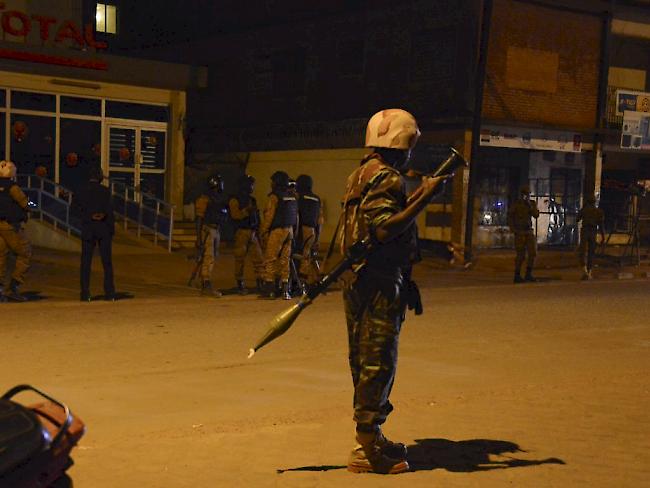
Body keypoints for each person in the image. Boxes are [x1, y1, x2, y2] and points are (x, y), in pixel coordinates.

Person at [340, 109, 448, 474]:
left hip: (362, 280)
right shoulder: (386, 177)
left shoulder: (360, 173)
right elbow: (385, 230)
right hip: (379, 284)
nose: (410, 156)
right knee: (377, 361)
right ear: (401, 145)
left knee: (364, 358)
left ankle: (371, 435)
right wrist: (426, 196)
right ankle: (367, 447)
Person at [74, 165, 116, 302]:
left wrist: (88, 216)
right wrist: (110, 227)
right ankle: (109, 292)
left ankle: (85, 293)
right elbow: (110, 211)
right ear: (100, 177)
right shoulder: (105, 191)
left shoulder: (81, 191)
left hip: (88, 227)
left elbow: (74, 210)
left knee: (85, 262)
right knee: (107, 262)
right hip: (103, 227)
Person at [258, 170, 298, 300]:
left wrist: (263, 231)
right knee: (285, 260)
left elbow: (269, 216)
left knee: (270, 258)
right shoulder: (292, 196)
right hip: (289, 231)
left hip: (277, 231)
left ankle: (270, 289)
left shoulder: (274, 197)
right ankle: (285, 290)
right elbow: (296, 217)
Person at [0, 160, 32, 302]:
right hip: (10, 226)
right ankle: (13, 286)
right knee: (25, 252)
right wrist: (33, 203)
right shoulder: (12, 187)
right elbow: (25, 202)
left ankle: (1, 288)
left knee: (1, 256)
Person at [228, 174, 264, 294]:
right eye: (251, 184)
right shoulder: (235, 199)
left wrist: (259, 230)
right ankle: (240, 283)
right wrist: (246, 211)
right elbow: (235, 215)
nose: (252, 187)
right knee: (240, 259)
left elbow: (257, 216)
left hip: (252, 232)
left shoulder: (252, 200)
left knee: (259, 258)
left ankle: (261, 281)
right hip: (241, 232)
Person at [194, 174, 228, 298]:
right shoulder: (204, 199)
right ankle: (206, 284)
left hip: (216, 230)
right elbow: (199, 218)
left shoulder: (217, 199)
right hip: (208, 230)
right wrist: (199, 238)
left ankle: (206, 282)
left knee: (212, 258)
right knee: (208, 257)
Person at [295, 174, 323, 286]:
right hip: (312, 231)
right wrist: (318, 237)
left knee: (298, 256)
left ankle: (298, 283)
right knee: (307, 256)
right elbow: (320, 219)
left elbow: (296, 214)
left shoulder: (298, 197)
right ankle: (310, 280)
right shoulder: (317, 199)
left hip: (300, 229)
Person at [507, 185, 539, 283]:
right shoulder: (516, 204)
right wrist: (513, 229)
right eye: (524, 194)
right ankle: (517, 275)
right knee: (521, 254)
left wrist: (530, 205)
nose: (526, 196)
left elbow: (536, 215)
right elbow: (510, 216)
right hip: (519, 231)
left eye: (527, 194)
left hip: (528, 231)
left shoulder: (531, 204)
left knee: (532, 253)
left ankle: (528, 274)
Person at [577, 194, 605, 280]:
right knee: (591, 252)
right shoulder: (599, 211)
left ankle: (584, 270)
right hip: (593, 231)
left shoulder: (584, 210)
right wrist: (603, 236)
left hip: (585, 230)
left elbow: (577, 219)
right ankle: (589, 272)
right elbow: (601, 225)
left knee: (582, 250)